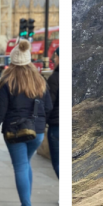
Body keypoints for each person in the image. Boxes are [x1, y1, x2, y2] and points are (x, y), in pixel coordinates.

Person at [0, 39, 46, 206]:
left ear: (12, 61)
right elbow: (49, 106)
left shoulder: (7, 81)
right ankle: (27, 204)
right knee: (26, 164)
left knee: (21, 166)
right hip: (37, 131)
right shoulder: (39, 80)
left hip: (15, 131)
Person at [44, 47, 58, 178]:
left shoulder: (54, 78)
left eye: (55, 56)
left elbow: (49, 104)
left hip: (56, 126)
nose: (53, 59)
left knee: (58, 163)